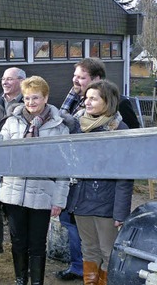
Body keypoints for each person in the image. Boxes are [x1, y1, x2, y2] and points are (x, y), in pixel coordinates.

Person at [56, 57, 140, 281]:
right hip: (81, 200)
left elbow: (124, 176)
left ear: (107, 101)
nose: (87, 102)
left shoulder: (118, 129)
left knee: (108, 250)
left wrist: (120, 211)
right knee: (89, 249)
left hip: (106, 202)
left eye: (93, 98)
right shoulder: (77, 126)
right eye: (86, 98)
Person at [0, 76, 70, 285]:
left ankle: (36, 282)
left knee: (37, 243)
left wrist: (59, 199)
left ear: (45, 98)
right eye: (27, 98)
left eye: (35, 98)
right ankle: (21, 279)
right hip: (13, 191)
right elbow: (0, 154)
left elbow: (64, 168)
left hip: (42, 192)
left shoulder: (59, 127)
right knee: (17, 241)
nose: (30, 103)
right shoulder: (12, 122)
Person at [0, 67, 26, 254]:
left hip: (17, 163)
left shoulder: (29, 103)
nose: (5, 82)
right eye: (3, 79)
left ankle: (20, 244)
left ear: (21, 82)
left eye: (10, 79)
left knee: (15, 206)